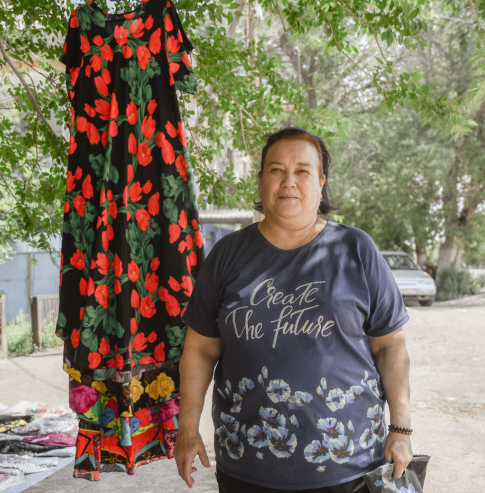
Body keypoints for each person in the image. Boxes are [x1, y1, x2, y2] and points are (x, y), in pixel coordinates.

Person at [174, 127, 413, 492]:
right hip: (247, 466)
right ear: (260, 180)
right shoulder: (227, 255)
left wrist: (401, 429)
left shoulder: (356, 249)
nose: (289, 181)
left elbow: (390, 345)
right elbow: (200, 349)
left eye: (302, 170)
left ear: (320, 182)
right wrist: (187, 430)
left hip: (349, 466)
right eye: (276, 170)